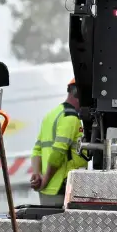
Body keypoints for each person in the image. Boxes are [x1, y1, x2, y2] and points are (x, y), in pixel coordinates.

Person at [29, 79, 89, 207]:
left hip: (48, 189)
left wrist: (37, 174)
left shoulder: (51, 114)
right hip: (63, 187)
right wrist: (44, 181)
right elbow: (58, 152)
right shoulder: (70, 117)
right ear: (79, 93)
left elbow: (37, 150)